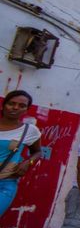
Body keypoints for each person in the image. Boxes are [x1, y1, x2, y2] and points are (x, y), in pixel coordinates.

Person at [0, 90, 42, 218]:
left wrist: (28, 162)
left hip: (5, 184)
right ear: (4, 105)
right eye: (11, 103)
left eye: (22, 106)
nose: (15, 108)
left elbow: (37, 152)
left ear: (26, 110)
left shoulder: (29, 131)